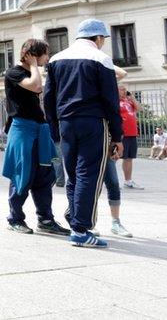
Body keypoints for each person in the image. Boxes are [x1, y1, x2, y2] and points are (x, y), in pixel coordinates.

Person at [44, 19, 123, 248]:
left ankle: (75, 216)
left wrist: (54, 129)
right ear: (97, 38)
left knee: (73, 174)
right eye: (103, 40)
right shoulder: (101, 59)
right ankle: (80, 228)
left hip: (66, 122)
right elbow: (111, 101)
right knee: (89, 174)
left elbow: (48, 99)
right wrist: (117, 136)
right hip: (93, 122)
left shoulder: (56, 60)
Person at [1, 39, 70, 236]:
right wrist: (33, 66)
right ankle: (15, 218)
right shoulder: (14, 72)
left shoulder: (32, 71)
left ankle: (46, 220)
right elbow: (37, 87)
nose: (47, 58)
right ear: (34, 54)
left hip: (40, 128)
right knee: (22, 173)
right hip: (22, 128)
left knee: (44, 175)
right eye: (45, 54)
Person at [117, 84, 144, 189]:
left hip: (132, 133)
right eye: (122, 89)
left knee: (129, 158)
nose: (125, 91)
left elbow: (140, 109)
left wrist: (132, 98)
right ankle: (109, 180)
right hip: (121, 134)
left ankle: (128, 181)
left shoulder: (129, 101)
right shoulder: (114, 101)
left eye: (125, 89)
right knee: (114, 157)